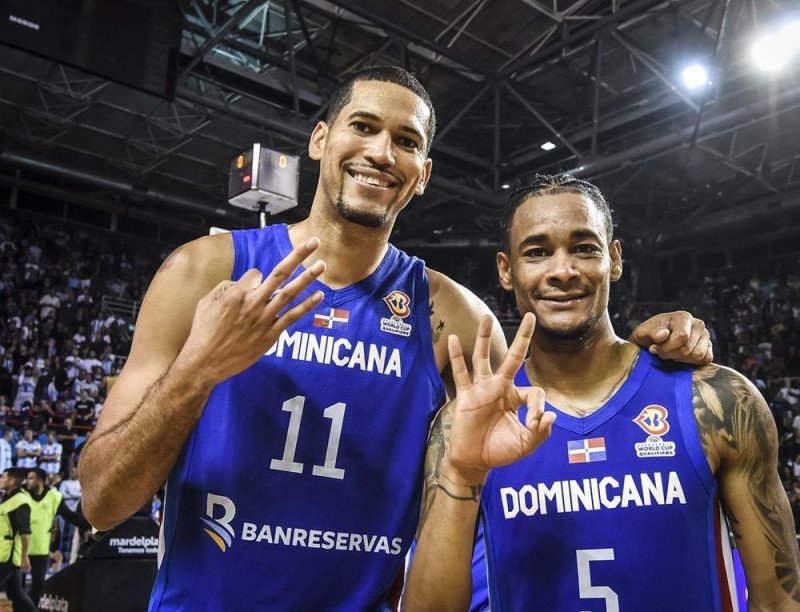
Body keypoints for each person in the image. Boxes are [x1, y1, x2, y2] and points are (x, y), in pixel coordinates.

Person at [78, 68, 711, 610]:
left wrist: (650, 348)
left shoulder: (451, 314)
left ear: (424, 172)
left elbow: (570, 407)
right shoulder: (206, 271)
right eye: (363, 127)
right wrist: (197, 371)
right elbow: (103, 502)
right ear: (320, 140)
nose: (383, 152)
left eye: (406, 141)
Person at [404, 173, 800, 611]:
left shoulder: (716, 400)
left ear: (614, 258)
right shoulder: (467, 425)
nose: (563, 271)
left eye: (583, 248)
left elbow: (778, 602)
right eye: (537, 252)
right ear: (506, 270)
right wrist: (461, 474)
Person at [23, 468, 90, 606]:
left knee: (38, 586)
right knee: (18, 587)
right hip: (21, 549)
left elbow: (69, 515)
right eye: (27, 478)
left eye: (31, 478)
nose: (27, 481)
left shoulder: (54, 497)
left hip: (41, 550)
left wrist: (87, 527)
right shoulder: (22, 495)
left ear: (41, 480)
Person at [0, 467, 36, 611]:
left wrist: (24, 556)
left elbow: (25, 532)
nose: (1, 479)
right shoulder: (8, 497)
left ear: (13, 480)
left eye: (4, 477)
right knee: (16, 593)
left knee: (16, 593)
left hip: (8, 555)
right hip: (4, 552)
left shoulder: (20, 501)